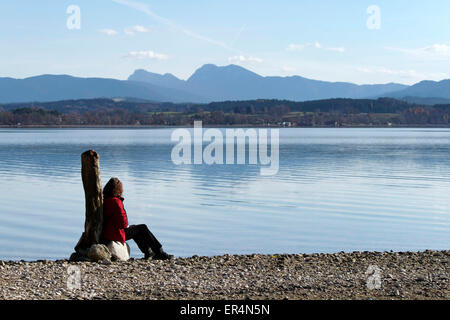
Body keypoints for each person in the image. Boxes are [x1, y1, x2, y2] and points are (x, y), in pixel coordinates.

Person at [102, 177, 173, 260]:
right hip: (114, 233)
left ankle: (149, 253)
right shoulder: (116, 202)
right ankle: (159, 252)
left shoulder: (105, 199)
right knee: (142, 228)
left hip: (107, 232)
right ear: (118, 190)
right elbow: (123, 223)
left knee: (136, 229)